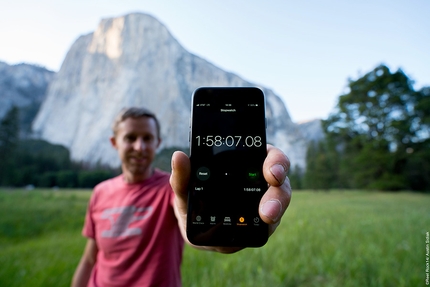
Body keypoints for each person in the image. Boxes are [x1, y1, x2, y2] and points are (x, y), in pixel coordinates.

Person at [71, 107, 292, 287]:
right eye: (131, 138)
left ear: (158, 143)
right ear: (114, 142)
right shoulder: (100, 192)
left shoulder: (173, 186)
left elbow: (187, 220)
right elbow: (91, 257)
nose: (140, 147)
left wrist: (217, 235)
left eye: (147, 138)